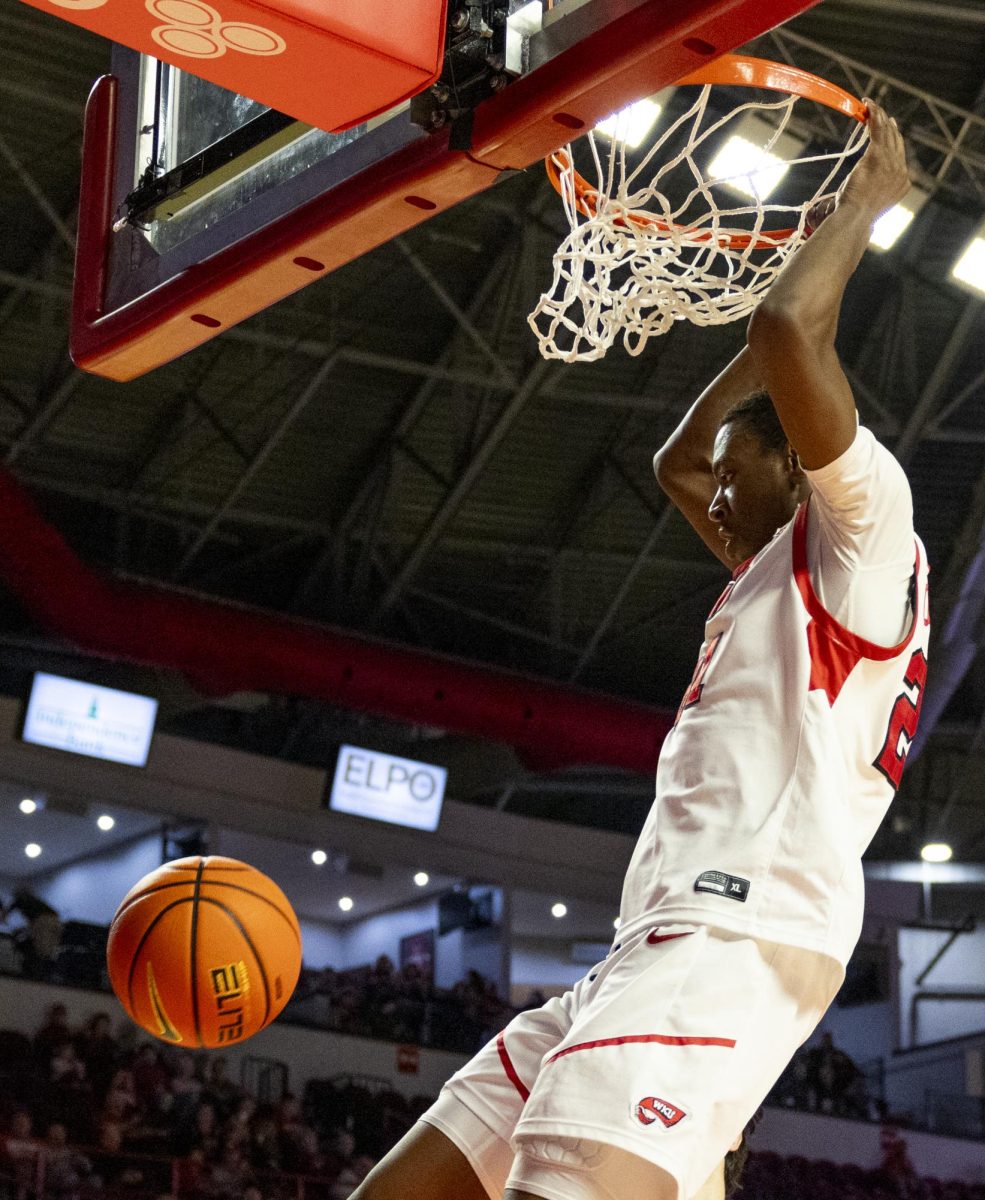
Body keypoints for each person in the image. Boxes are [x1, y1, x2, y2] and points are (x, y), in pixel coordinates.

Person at [350, 101, 927, 1200]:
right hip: (648, 948)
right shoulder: (775, 566)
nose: (711, 491)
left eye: (738, 471)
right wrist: (735, 418)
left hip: (730, 937)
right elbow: (675, 460)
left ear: (803, 469)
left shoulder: (864, 529)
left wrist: (857, 213)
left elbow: (789, 338)